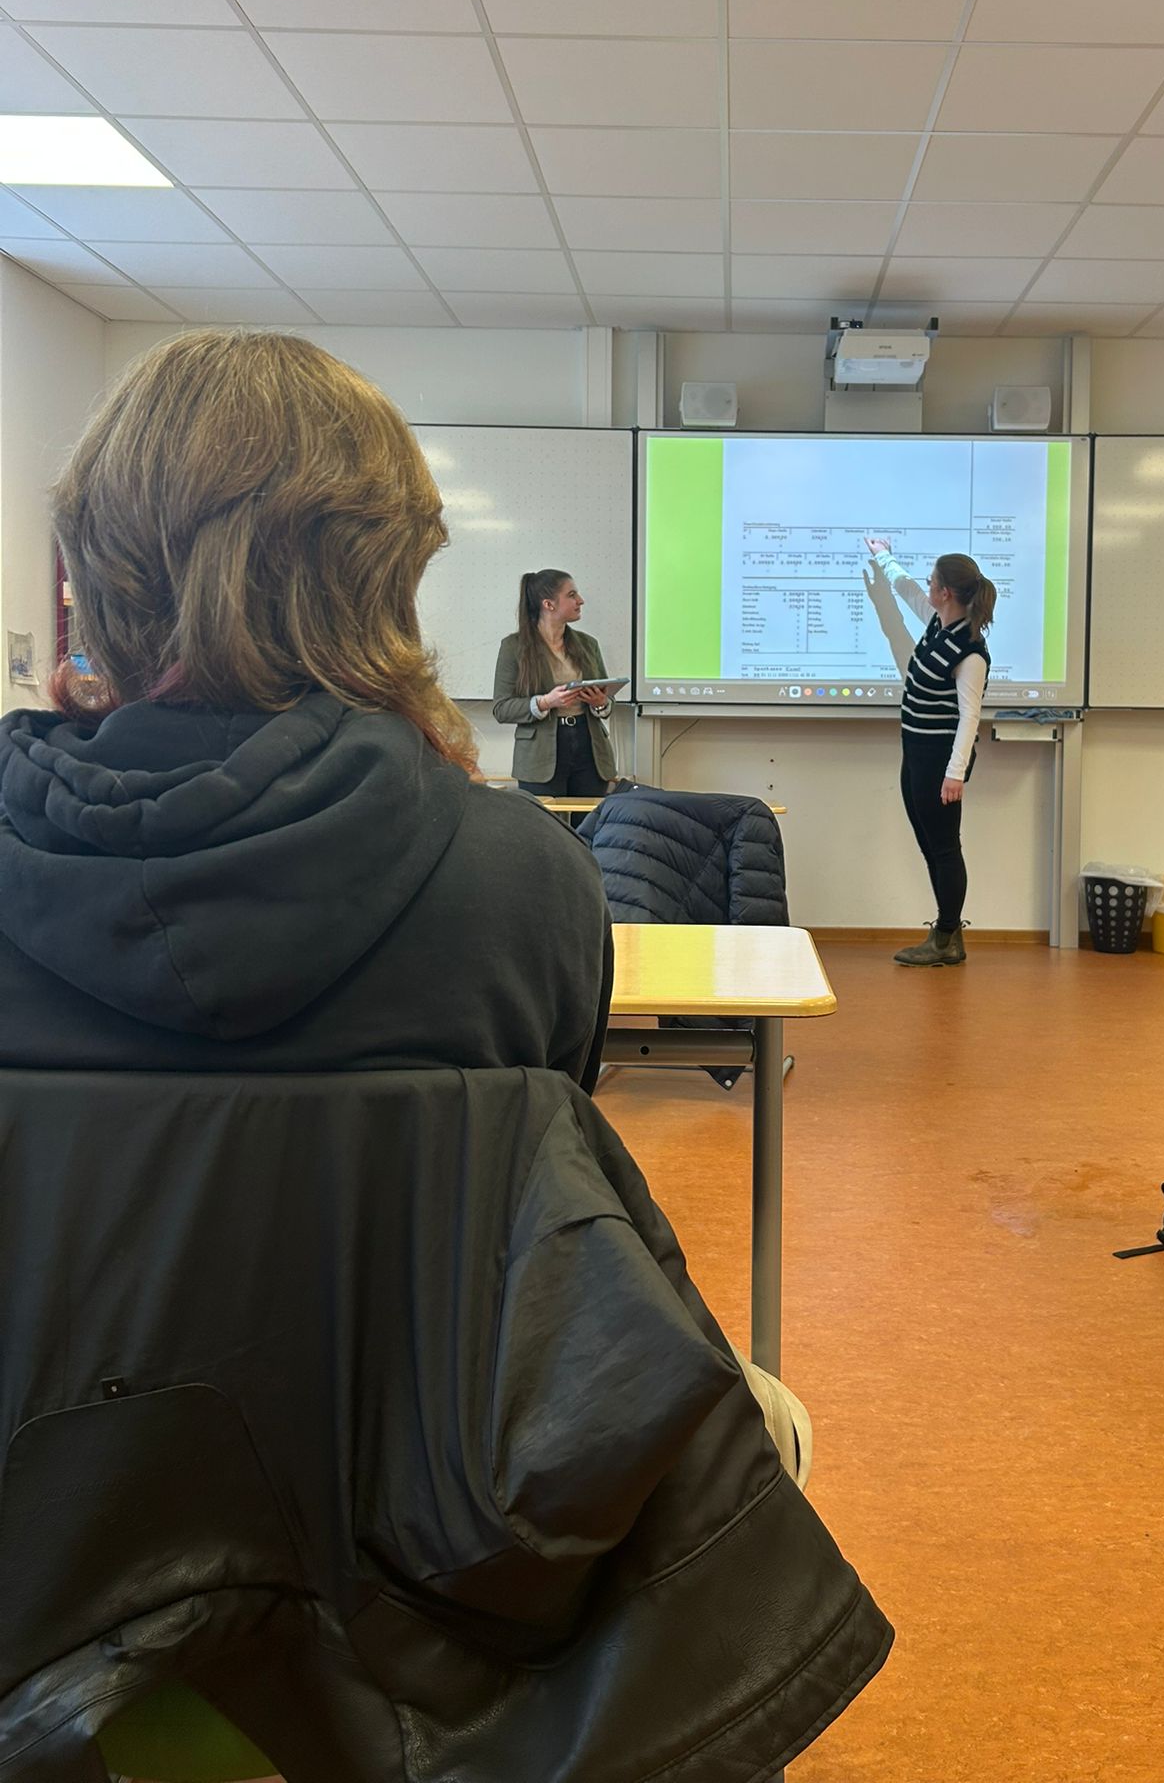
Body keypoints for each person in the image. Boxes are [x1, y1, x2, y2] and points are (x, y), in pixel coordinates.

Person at [0, 330, 890, 1776]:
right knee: (764, 1421)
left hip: (37, 1589)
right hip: (429, 1593)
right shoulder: (518, 883)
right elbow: (526, 1227)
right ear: (384, 573)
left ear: (89, 566)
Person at [863, 538, 995, 967]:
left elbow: (969, 717)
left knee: (943, 847)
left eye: (933, 580)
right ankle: (944, 933)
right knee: (929, 844)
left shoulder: (970, 650)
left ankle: (947, 936)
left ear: (947, 592)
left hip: (940, 761)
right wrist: (882, 555)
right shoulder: (939, 621)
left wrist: (954, 774)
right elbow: (905, 589)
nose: (927, 585)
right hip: (916, 752)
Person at [492, 568, 618, 796]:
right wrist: (545, 702)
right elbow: (501, 708)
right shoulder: (514, 647)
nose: (581, 601)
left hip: (589, 747)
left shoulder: (588, 644)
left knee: (588, 827)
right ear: (548, 605)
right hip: (539, 754)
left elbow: (607, 701)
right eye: (571, 595)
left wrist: (600, 702)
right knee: (547, 828)